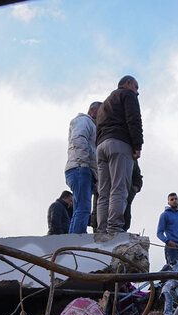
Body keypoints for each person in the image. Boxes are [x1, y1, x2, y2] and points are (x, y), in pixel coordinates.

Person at [95, 75, 143, 235]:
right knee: (119, 187)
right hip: (119, 143)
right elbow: (134, 119)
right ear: (128, 84)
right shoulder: (127, 95)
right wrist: (137, 145)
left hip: (101, 146)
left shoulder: (104, 105)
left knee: (104, 191)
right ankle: (114, 227)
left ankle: (101, 229)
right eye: (136, 87)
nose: (137, 93)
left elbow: (98, 128)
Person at [65, 102, 101, 233]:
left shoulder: (90, 124)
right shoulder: (83, 121)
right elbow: (78, 139)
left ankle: (74, 237)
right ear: (93, 111)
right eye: (101, 113)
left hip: (81, 168)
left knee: (81, 207)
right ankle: (77, 239)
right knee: (83, 207)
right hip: (80, 168)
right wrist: (84, 163)